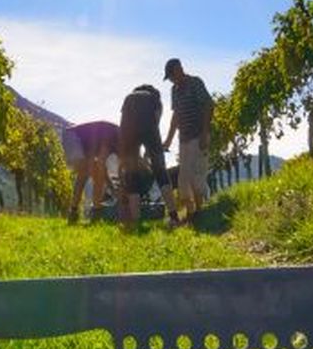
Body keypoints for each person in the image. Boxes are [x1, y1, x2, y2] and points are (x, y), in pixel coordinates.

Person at [117, 84, 182, 229]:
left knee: (131, 174)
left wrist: (129, 156)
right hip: (149, 128)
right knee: (160, 171)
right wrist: (151, 150)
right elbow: (155, 123)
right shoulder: (154, 98)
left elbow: (124, 125)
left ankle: (136, 221)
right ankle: (174, 217)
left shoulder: (129, 97)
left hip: (127, 130)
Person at [162, 58, 214, 223]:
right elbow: (175, 116)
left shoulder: (195, 83)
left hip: (198, 136)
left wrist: (205, 133)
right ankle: (191, 212)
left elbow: (208, 106)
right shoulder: (174, 90)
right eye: (169, 77)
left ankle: (199, 212)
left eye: (171, 75)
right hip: (183, 139)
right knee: (183, 180)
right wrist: (168, 140)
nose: (171, 79)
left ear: (179, 69)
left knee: (197, 177)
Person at [60, 120, 119, 223]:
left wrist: (112, 188)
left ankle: (74, 214)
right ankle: (95, 214)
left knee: (86, 174)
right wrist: (113, 190)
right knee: (92, 173)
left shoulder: (118, 139)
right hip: (73, 137)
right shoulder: (114, 136)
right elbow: (101, 166)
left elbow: (104, 167)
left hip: (80, 143)